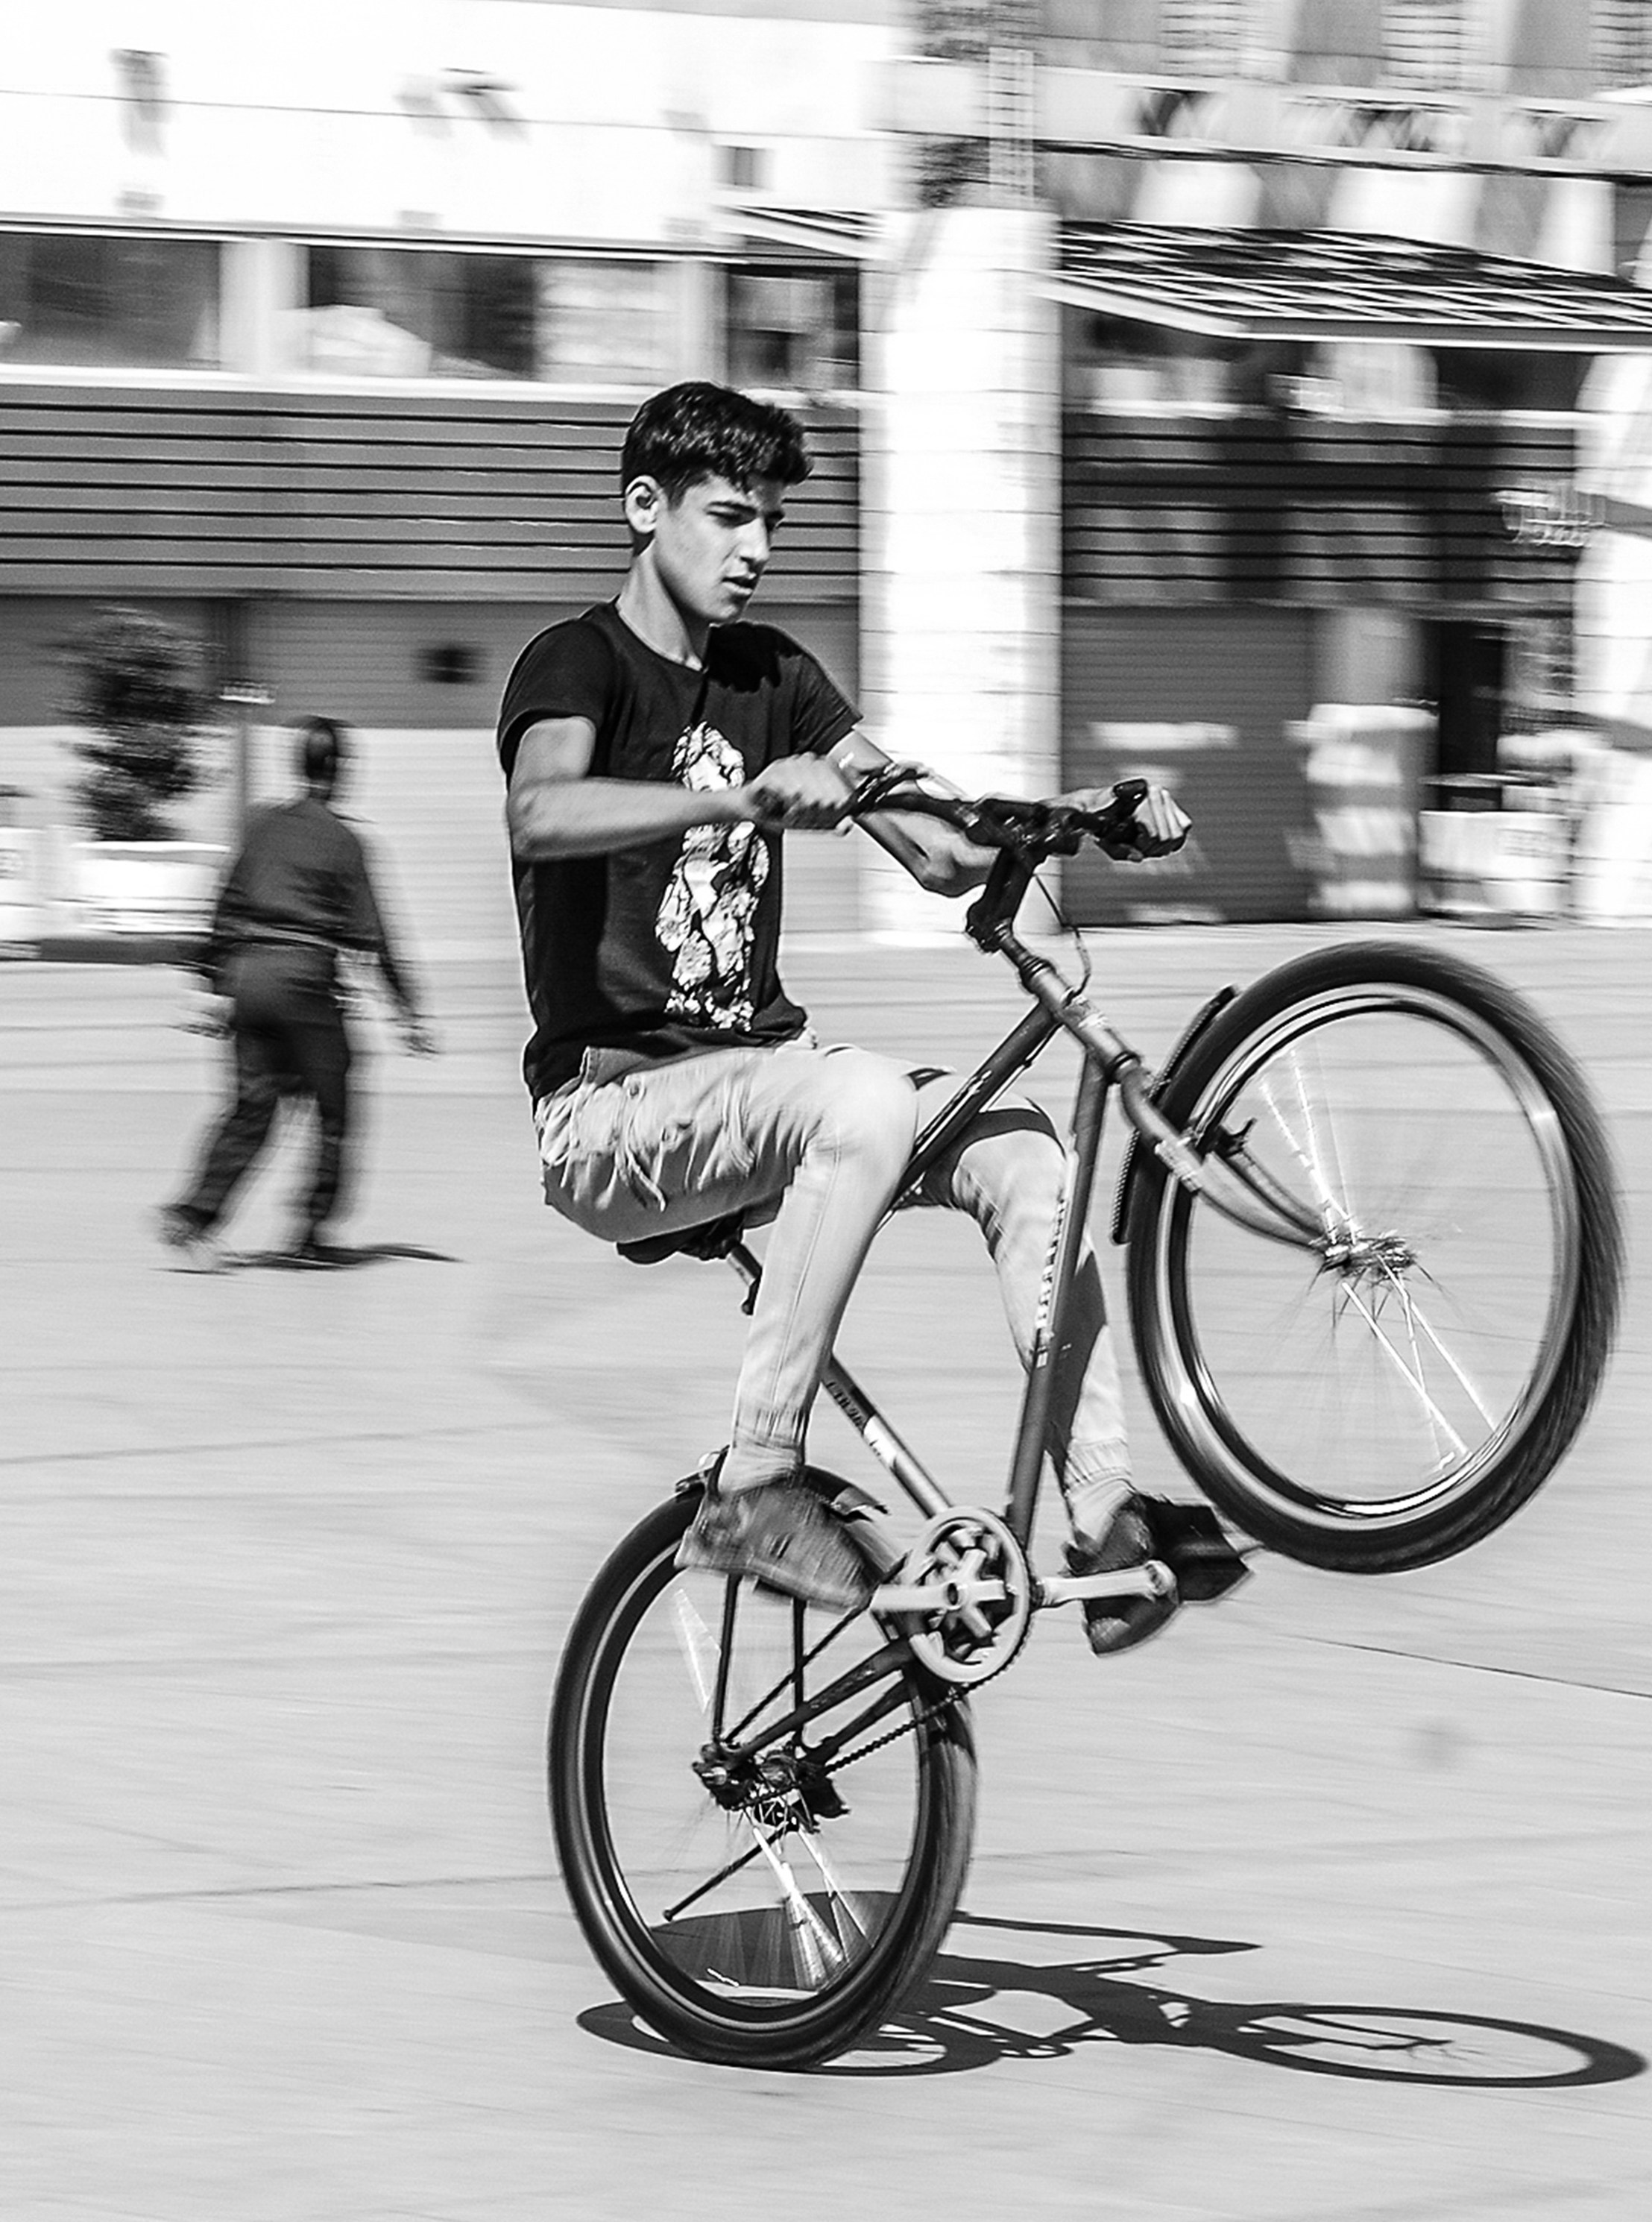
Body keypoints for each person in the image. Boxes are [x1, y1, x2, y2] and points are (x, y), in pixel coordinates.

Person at [497, 381, 1243, 1651]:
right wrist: (736, 802)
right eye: (729, 515)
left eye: (773, 521)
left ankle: (1104, 1514)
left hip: (761, 1089)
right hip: (611, 1110)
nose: (756, 547)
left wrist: (1072, 813)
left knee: (1021, 1146)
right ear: (645, 507)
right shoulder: (578, 660)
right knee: (859, 1096)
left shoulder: (777, 677)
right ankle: (755, 1479)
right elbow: (540, 812)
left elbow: (935, 846)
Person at [160, 716, 435, 1270]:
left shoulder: (261, 826)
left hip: (247, 981)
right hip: (304, 982)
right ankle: (310, 1230)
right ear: (340, 769)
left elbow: (224, 905)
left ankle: (194, 1215)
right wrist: (408, 1010)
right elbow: (374, 935)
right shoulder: (345, 841)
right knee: (334, 1109)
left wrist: (208, 982)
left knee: (252, 1106)